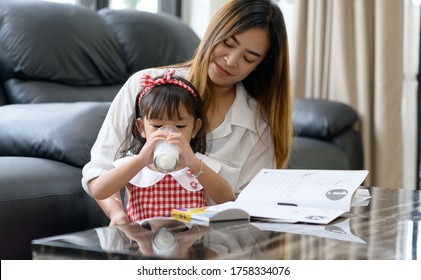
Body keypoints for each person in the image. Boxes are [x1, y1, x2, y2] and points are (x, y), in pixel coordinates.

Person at [82, 0, 293, 226]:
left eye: (248, 58)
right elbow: (99, 170)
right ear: (214, 31)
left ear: (259, 65)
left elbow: (251, 204)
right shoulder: (144, 87)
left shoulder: (256, 123)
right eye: (228, 43)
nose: (231, 61)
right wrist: (118, 215)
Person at [89, 70, 234, 222]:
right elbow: (99, 191)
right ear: (141, 127)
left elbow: (228, 200)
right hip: (142, 242)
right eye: (158, 126)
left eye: (180, 125)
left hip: (192, 243)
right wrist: (140, 161)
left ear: (195, 128)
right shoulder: (134, 165)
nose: (169, 133)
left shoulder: (199, 165)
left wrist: (194, 164)